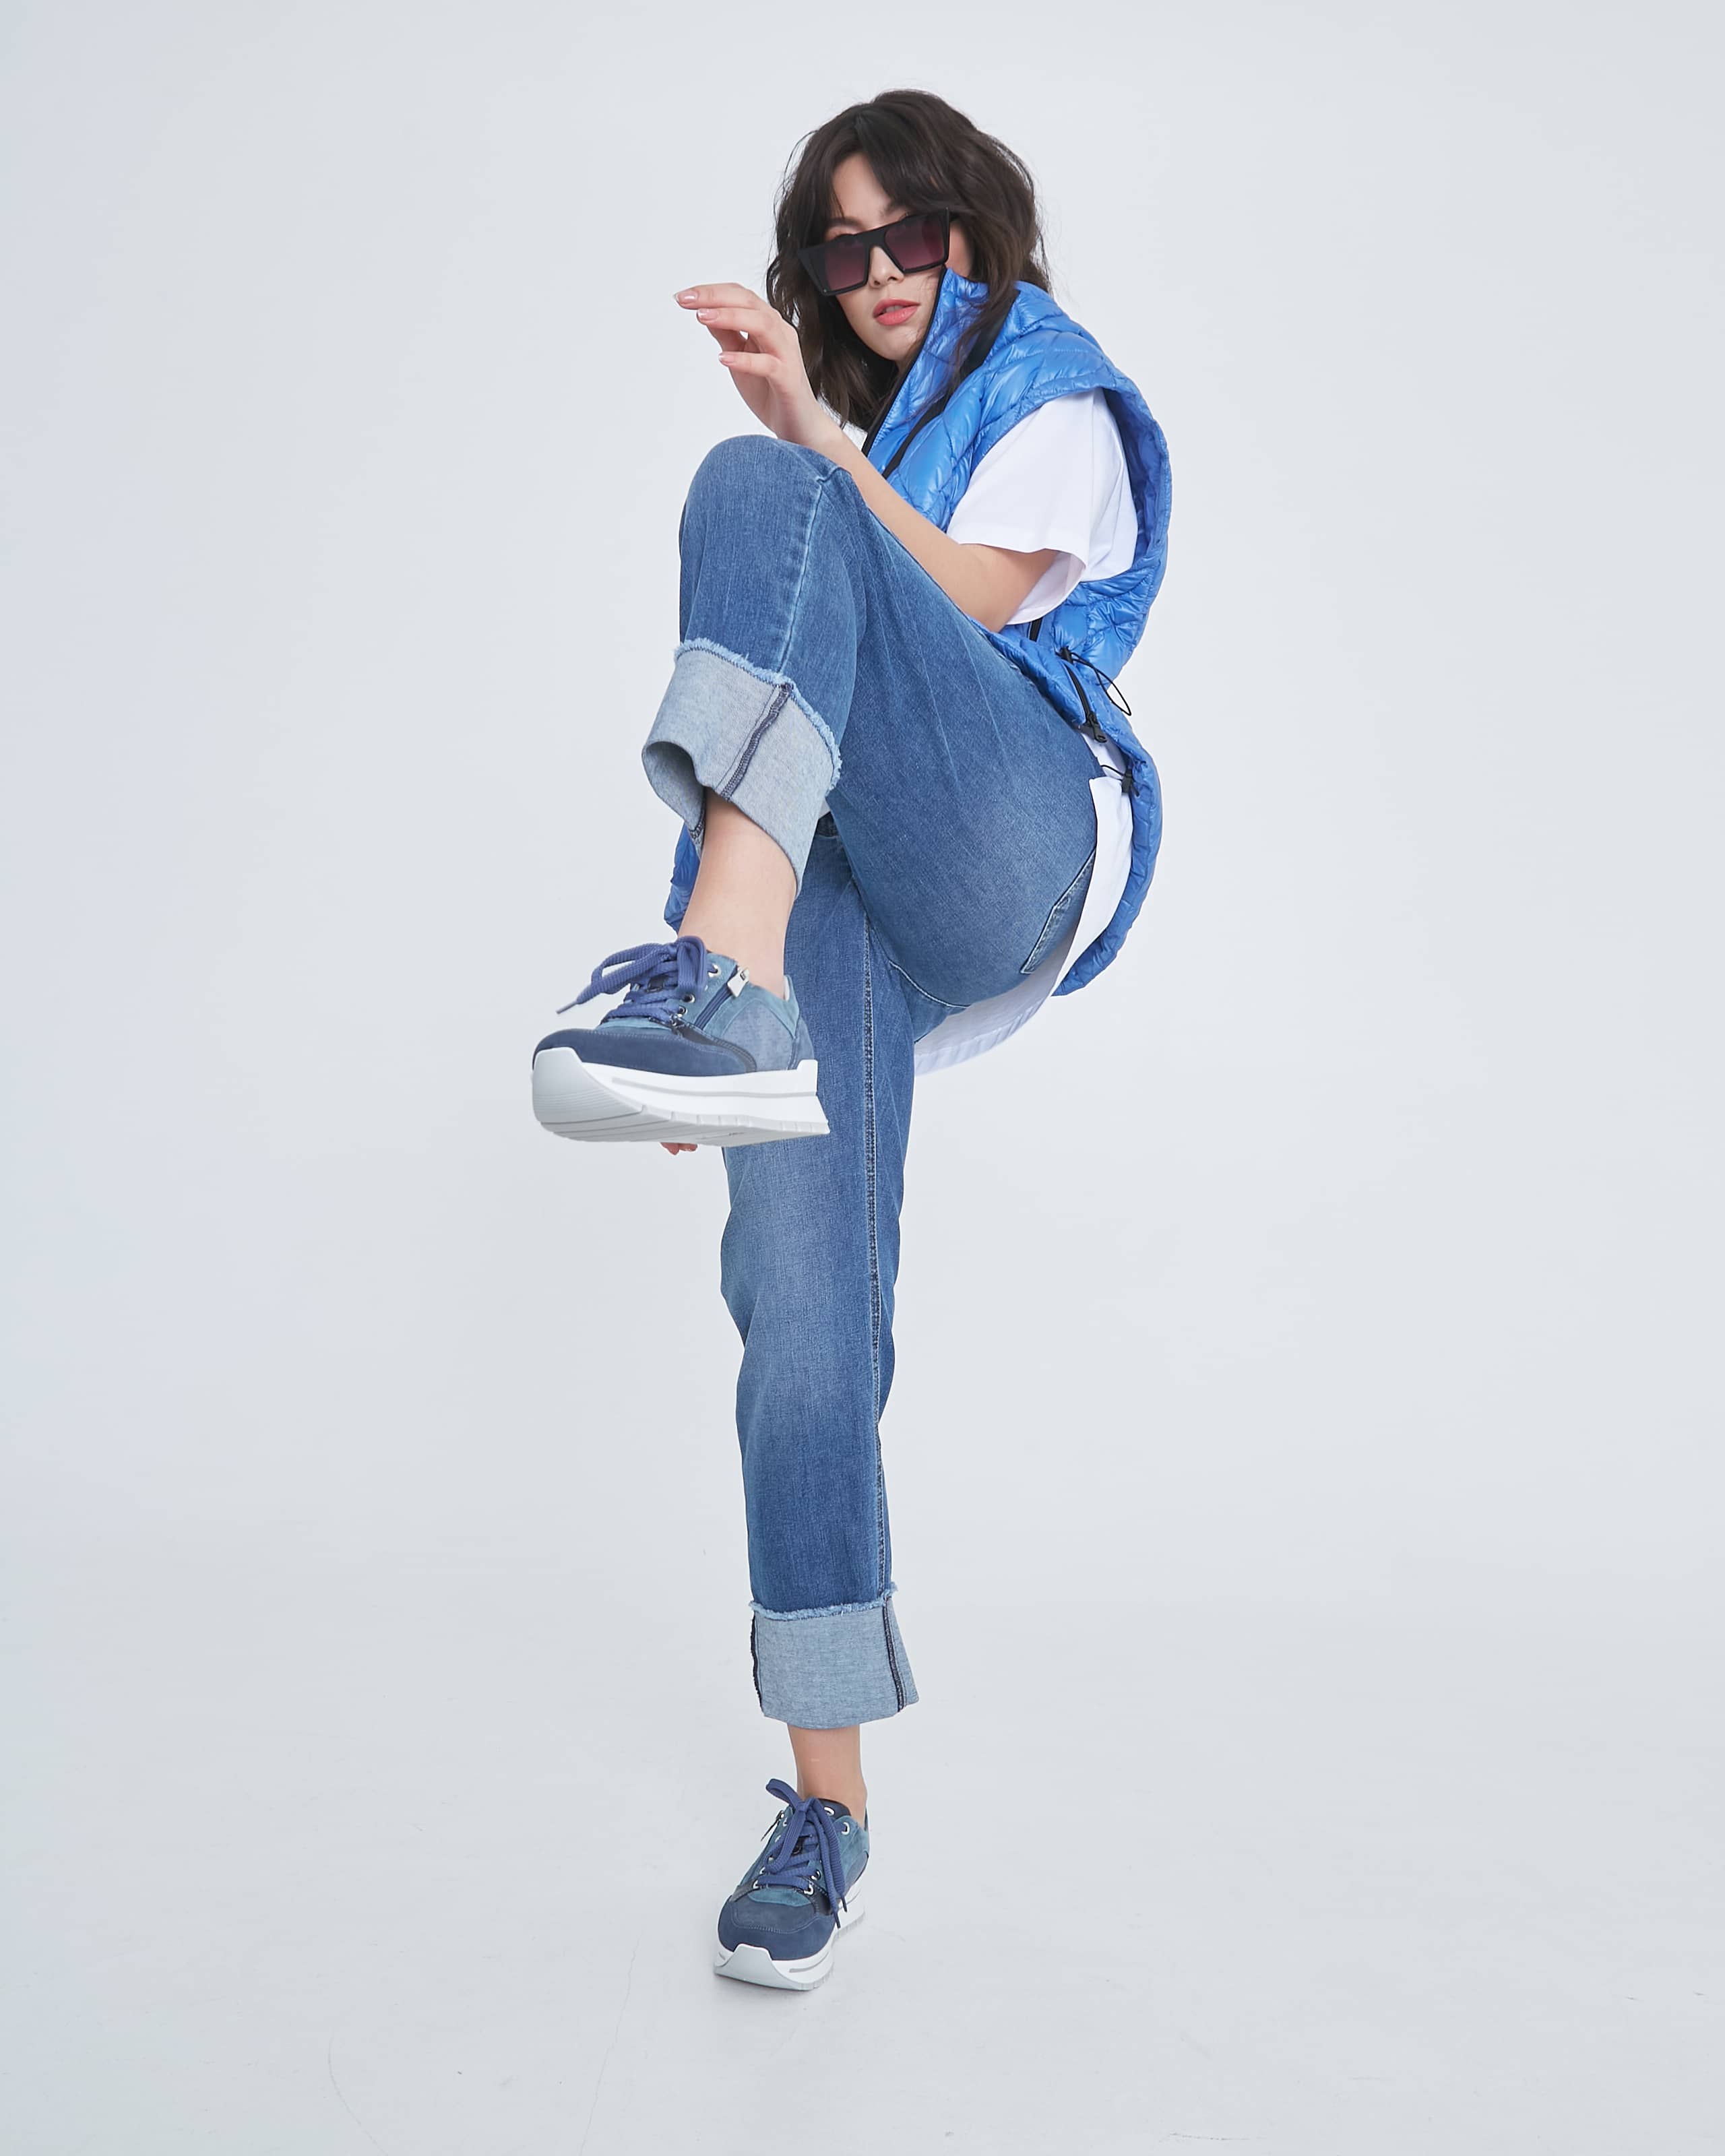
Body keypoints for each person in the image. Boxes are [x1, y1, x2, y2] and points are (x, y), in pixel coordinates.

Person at [531, 88, 1170, 1990]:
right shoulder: (860, 450)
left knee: (761, 485)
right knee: (800, 1314)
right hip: (843, 876)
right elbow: (776, 756)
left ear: (978, 228)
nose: (882, 270)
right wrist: (695, 1011)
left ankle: (722, 981)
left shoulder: (1049, 386)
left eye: (914, 234)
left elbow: (976, 599)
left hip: (1002, 835)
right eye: (845, 245)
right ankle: (830, 1810)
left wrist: (814, 438)